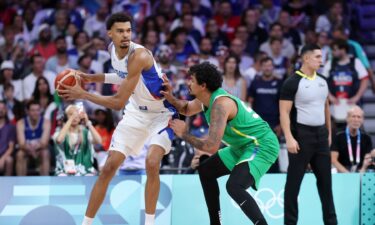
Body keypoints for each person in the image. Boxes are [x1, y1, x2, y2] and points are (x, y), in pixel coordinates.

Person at [57, 13, 176, 225]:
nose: (125, 35)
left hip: (161, 114)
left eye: (129, 30)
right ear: (109, 34)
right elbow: (123, 76)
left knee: (152, 162)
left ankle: (149, 223)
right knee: (109, 167)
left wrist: (83, 94)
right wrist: (90, 78)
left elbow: (118, 102)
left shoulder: (139, 56)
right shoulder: (112, 50)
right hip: (136, 113)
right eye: (120, 31)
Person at [162, 62, 279, 225]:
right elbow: (187, 109)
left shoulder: (220, 105)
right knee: (206, 171)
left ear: (203, 85)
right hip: (242, 146)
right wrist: (170, 97)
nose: (188, 83)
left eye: (192, 80)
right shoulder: (206, 98)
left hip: (262, 145)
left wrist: (184, 134)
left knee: (234, 186)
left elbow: (211, 146)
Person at [279, 44, 337, 225]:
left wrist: (328, 133)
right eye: (318, 57)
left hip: (320, 135)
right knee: (293, 185)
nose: (321, 60)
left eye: (321, 57)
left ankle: (332, 222)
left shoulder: (323, 80)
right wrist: (288, 137)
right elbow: (284, 113)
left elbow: (325, 106)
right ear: (306, 58)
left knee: (326, 185)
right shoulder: (292, 82)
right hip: (301, 136)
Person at [53, 104, 101, 176]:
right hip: (64, 170)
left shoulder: (85, 132)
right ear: (66, 117)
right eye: (71, 114)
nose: (74, 117)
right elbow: (59, 140)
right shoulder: (59, 132)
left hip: (84, 170)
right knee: (62, 176)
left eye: (76, 114)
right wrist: (69, 120)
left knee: (90, 176)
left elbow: (98, 141)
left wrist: (88, 122)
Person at [331, 106, 373, 173]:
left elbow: (367, 158)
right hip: (341, 171)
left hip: (361, 171)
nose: (356, 120)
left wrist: (362, 171)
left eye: (359, 117)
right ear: (347, 118)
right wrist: (348, 174)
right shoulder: (338, 135)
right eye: (353, 116)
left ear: (362, 120)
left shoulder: (366, 137)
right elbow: (333, 159)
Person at [16, 101, 51, 176]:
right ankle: (20, 182)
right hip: (26, 150)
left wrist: (35, 149)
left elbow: (44, 143)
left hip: (40, 150)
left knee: (45, 153)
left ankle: (45, 182)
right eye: (33, 110)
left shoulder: (46, 122)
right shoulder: (21, 123)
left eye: (37, 110)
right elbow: (21, 143)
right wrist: (31, 150)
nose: (35, 113)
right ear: (27, 111)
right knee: (20, 154)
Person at [0, 101, 16, 176]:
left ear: (6, 110)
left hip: (4, 155)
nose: (1, 110)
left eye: (3, 108)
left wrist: (2, 159)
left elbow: (11, 147)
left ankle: (7, 186)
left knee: (9, 160)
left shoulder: (11, 127)